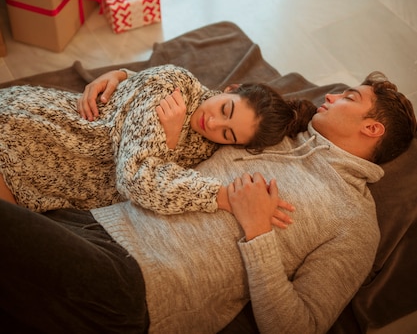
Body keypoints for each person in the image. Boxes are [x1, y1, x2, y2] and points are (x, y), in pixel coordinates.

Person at [0, 70, 415, 334]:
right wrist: (127, 79)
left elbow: (298, 327)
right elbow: (211, 107)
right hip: (92, 217)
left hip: (139, 282)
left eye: (349, 98)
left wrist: (258, 234)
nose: (332, 95)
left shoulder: (355, 222)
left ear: (372, 127)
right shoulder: (279, 131)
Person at [0, 64, 315, 214]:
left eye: (228, 133)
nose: (213, 123)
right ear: (230, 89)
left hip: (48, 180)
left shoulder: (209, 146)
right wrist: (225, 198)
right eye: (225, 108)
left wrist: (171, 142)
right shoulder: (173, 87)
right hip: (27, 131)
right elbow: (136, 180)